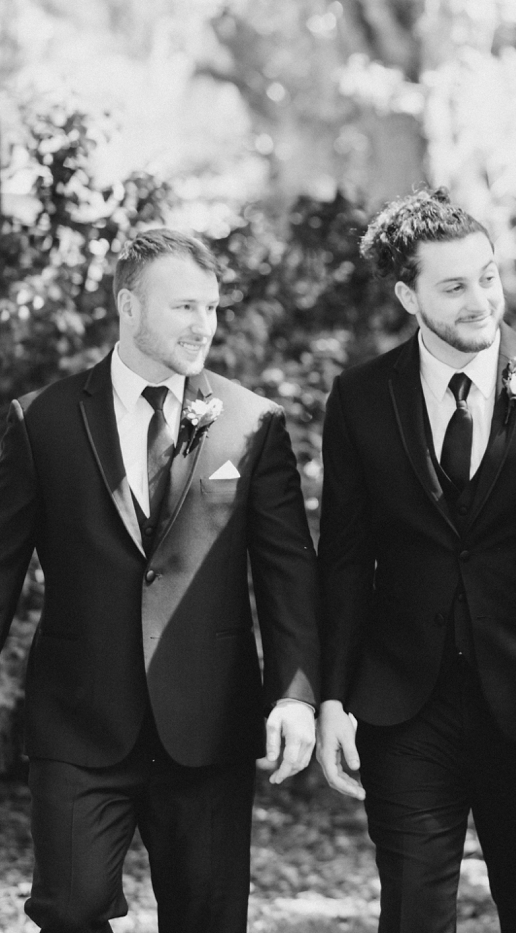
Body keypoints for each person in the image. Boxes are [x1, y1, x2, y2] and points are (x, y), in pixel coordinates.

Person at [0, 229, 320, 932]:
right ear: (128, 306)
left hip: (208, 724)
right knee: (69, 910)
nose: (204, 324)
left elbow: (288, 573)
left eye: (211, 307)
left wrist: (295, 694)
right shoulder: (41, 420)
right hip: (79, 723)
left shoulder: (252, 423)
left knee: (207, 920)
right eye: (184, 307)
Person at [316, 189, 516, 933]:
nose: (481, 300)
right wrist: (332, 697)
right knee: (412, 911)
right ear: (408, 296)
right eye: (455, 286)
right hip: (405, 702)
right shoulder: (361, 398)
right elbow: (344, 561)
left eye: (488, 277)